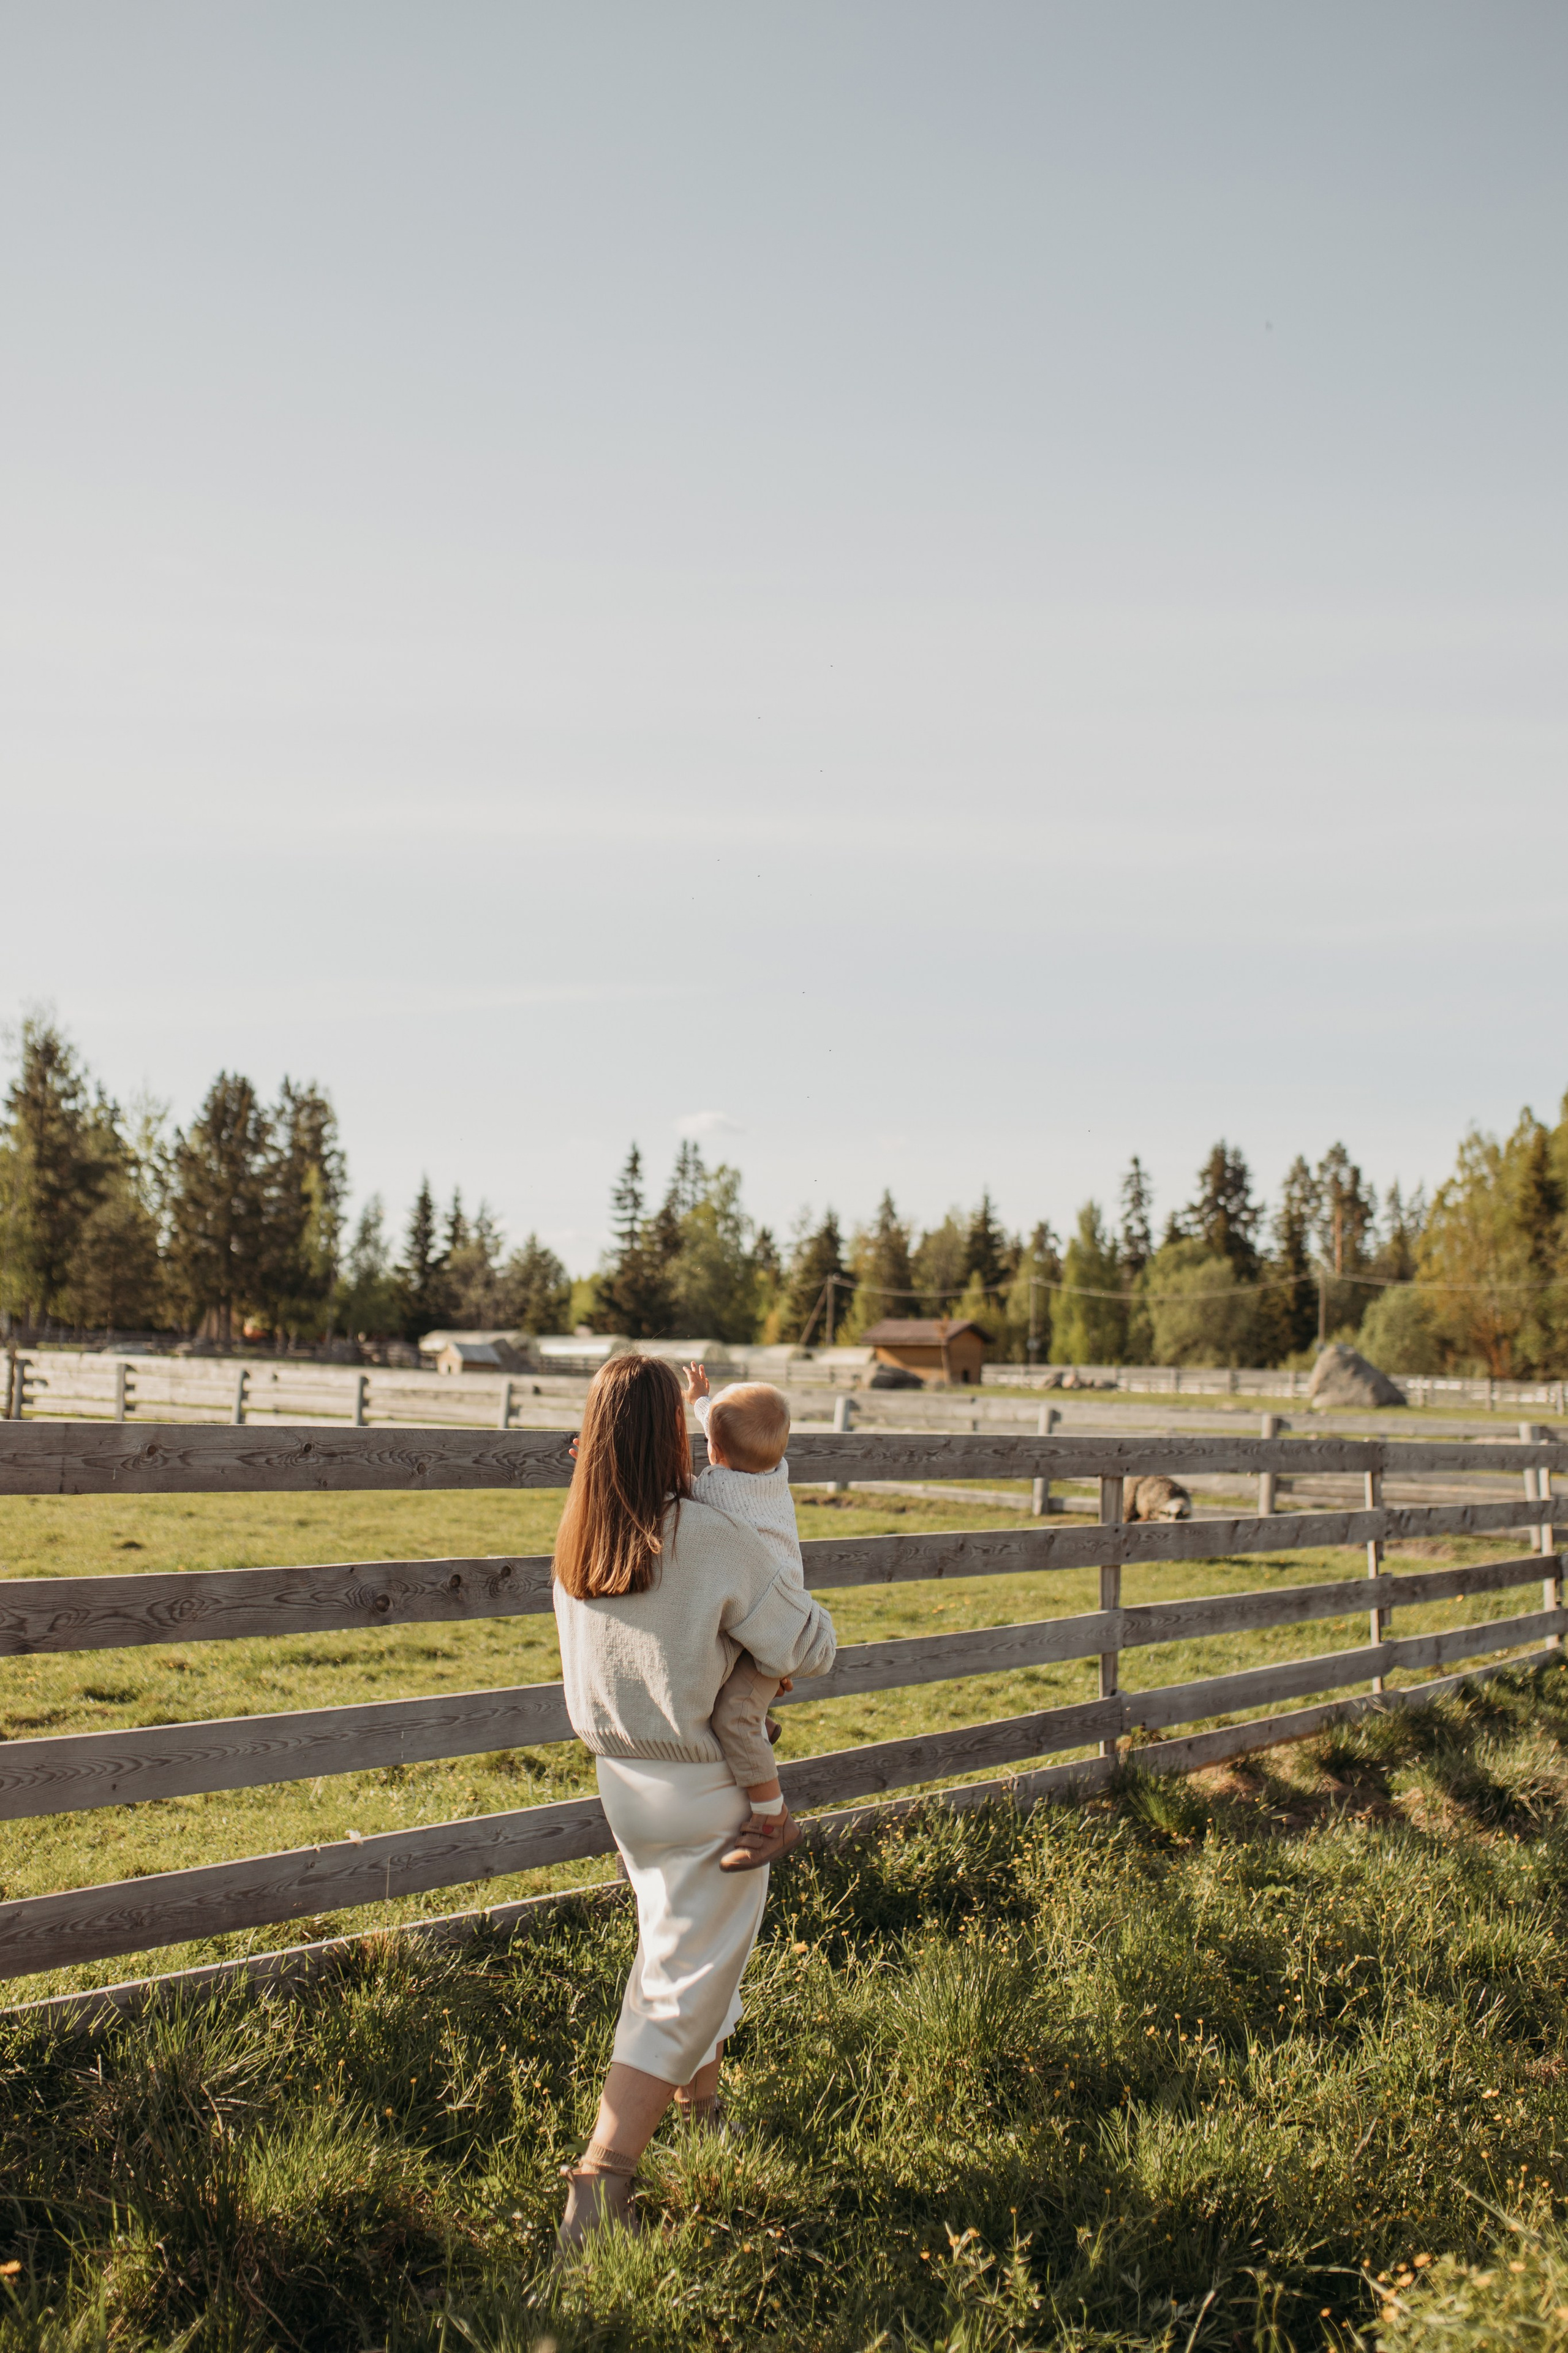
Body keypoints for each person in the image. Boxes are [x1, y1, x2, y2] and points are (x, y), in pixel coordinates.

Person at [551, 1351, 837, 2248]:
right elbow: (806, 1643)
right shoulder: (705, 1537)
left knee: (686, 1955)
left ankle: (708, 2122)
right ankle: (600, 2188)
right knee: (677, 1986)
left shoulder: (577, 1540)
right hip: (705, 1782)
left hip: (624, 1784)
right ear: (671, 1434)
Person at [682, 1362, 809, 1870]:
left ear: (713, 1454)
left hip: (767, 1628)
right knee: (731, 1695)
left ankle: (773, 1819)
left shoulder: (718, 1493)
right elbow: (727, 1430)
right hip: (775, 1615)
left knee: (732, 1716)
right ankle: (759, 1729)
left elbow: (673, 1495)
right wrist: (702, 1401)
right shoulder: (774, 1475)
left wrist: (606, 1466)